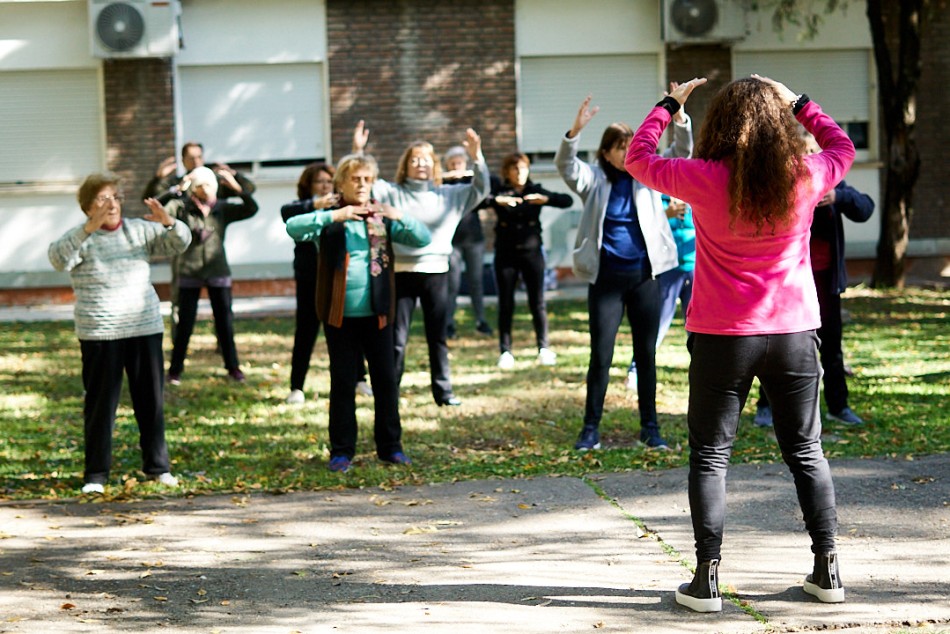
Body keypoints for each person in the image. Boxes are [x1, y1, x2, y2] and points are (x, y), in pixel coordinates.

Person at [625, 75, 855, 612]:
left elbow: (638, 158)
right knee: (806, 450)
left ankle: (706, 581)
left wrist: (667, 105)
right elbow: (842, 146)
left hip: (722, 335)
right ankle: (828, 570)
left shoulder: (702, 177)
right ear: (778, 125)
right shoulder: (804, 174)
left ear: (720, 124)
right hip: (794, 332)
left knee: (710, 455)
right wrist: (799, 102)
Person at [555, 92, 692, 451]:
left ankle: (651, 428)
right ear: (606, 153)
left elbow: (681, 153)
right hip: (606, 281)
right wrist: (574, 133)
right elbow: (567, 168)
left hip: (645, 278)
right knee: (601, 356)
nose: (626, 152)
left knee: (646, 355)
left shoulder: (649, 176)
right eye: (619, 147)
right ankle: (590, 429)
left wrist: (678, 118)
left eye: (631, 146)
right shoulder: (594, 180)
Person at [285, 154, 431, 473]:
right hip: (339, 314)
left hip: (378, 312)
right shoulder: (331, 214)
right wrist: (333, 216)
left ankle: (390, 447)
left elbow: (423, 238)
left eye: (367, 179)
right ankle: (341, 451)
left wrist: (399, 215)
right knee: (342, 383)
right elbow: (293, 228)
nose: (362, 185)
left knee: (385, 382)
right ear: (341, 184)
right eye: (356, 179)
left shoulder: (381, 215)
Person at [48, 173, 192, 495]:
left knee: (150, 402)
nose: (110, 204)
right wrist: (87, 228)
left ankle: (158, 468)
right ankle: (96, 475)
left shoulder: (138, 230)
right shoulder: (81, 238)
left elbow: (180, 242)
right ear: (87, 207)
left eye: (114, 197)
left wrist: (169, 221)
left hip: (144, 328)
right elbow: (58, 258)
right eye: (102, 198)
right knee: (100, 406)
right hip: (100, 332)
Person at [352, 121, 490, 407]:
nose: (420, 165)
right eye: (414, 160)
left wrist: (477, 157)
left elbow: (481, 188)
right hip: (400, 274)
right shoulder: (392, 192)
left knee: (437, 337)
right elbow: (362, 178)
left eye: (426, 160)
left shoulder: (450, 195)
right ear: (405, 165)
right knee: (397, 339)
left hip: (437, 273)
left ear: (435, 166)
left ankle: (443, 392)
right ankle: (389, 391)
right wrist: (358, 150)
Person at [754, 163, 874, 426]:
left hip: (825, 282)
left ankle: (838, 406)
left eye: (812, 155)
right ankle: (766, 406)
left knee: (832, 346)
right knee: (777, 348)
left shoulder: (831, 184)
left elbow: (866, 208)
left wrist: (838, 197)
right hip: (789, 286)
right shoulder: (780, 185)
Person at [142, 142, 257, 341]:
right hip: (185, 257)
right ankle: (179, 345)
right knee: (181, 305)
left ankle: (223, 348)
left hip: (213, 256)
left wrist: (234, 176)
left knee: (222, 310)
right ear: (183, 160)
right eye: (191, 158)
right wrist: (160, 179)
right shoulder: (181, 183)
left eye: (199, 157)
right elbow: (153, 202)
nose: (196, 161)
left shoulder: (213, 180)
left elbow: (249, 191)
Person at [280, 163, 372, 404]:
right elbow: (287, 215)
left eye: (328, 182)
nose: (324, 186)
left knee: (352, 329)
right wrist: (316, 205)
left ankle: (360, 378)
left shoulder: (342, 208)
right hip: (309, 278)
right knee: (306, 331)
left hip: (336, 279)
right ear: (309, 186)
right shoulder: (305, 208)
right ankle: (296, 386)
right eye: (319, 182)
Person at [164, 166, 259, 384]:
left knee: (224, 322)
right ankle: (175, 370)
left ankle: (233, 368)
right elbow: (163, 211)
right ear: (193, 189)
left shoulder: (223, 208)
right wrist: (177, 189)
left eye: (208, 184)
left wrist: (235, 186)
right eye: (199, 186)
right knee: (185, 324)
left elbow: (251, 208)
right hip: (189, 271)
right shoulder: (182, 207)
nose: (204, 189)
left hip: (218, 271)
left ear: (215, 187)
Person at [490, 152, 573, 369]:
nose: (520, 173)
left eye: (524, 169)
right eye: (515, 169)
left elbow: (567, 200)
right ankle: (505, 351)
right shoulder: (500, 191)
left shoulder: (534, 190)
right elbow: (477, 202)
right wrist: (495, 200)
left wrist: (546, 200)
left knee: (537, 302)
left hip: (532, 253)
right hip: (506, 254)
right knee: (505, 303)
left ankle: (543, 348)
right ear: (507, 172)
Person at [626, 194, 695, 390]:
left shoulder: (696, 192)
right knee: (656, 325)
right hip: (667, 268)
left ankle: (703, 376)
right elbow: (642, 226)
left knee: (698, 330)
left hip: (696, 268)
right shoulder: (655, 196)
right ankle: (635, 370)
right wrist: (666, 214)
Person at [443, 145, 494, 339]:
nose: (456, 167)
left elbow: (485, 195)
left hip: (474, 239)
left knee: (476, 281)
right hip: (452, 241)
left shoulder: (472, 183)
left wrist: (467, 176)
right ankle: (448, 324)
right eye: (453, 163)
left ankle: (481, 321)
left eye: (460, 163)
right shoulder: (444, 185)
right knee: (452, 283)